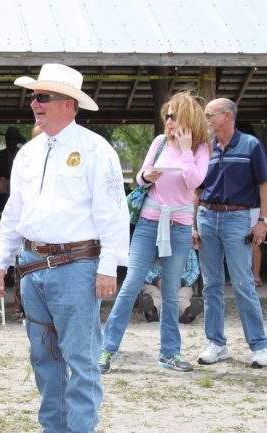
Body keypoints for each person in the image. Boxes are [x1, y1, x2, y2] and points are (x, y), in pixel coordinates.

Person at [0, 64, 129, 433]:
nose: (35, 103)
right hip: (32, 265)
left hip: (78, 266)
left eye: (43, 96)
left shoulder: (96, 150)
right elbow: (13, 213)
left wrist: (108, 267)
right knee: (43, 359)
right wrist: (2, 261)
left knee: (80, 361)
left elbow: (113, 212)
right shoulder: (28, 154)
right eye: (34, 96)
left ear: (69, 104)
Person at [100, 91, 210, 374]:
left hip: (180, 225)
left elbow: (195, 182)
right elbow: (140, 176)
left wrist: (186, 150)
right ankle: (106, 350)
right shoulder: (160, 142)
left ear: (187, 116)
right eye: (167, 116)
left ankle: (170, 354)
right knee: (131, 284)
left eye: (173, 115)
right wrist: (146, 176)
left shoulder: (200, 149)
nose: (169, 120)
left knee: (172, 292)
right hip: (149, 223)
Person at [193, 98, 267, 368]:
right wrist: (192, 224)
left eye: (210, 114)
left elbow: (263, 184)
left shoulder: (251, 145)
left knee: (243, 283)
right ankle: (216, 344)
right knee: (211, 284)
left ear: (226, 115)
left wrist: (263, 220)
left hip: (237, 217)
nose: (207, 119)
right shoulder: (204, 148)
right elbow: (197, 189)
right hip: (206, 216)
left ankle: (259, 346)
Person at [140, 248, 203, 324]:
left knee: (182, 296)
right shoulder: (150, 246)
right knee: (154, 294)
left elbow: (194, 271)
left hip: (181, 284)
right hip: (153, 283)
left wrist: (181, 282)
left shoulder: (188, 249)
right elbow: (141, 267)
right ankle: (152, 311)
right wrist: (156, 280)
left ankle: (187, 313)